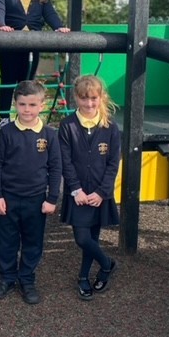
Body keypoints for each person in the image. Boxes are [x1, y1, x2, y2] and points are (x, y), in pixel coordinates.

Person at [0, 80, 61, 305]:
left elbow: (55, 167)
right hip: (8, 199)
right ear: (15, 104)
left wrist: (52, 198)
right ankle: (7, 278)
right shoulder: (6, 132)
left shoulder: (49, 135)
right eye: (22, 104)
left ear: (42, 105)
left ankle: (27, 279)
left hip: (36, 199)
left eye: (32, 104)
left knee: (33, 241)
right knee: (6, 241)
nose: (27, 110)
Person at [58, 75, 120, 301]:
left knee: (92, 237)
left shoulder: (110, 127)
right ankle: (107, 264)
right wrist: (76, 189)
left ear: (101, 98)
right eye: (84, 99)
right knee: (82, 238)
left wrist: (102, 192)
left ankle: (84, 277)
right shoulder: (67, 126)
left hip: (99, 194)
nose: (89, 104)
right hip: (78, 195)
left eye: (94, 98)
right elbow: (65, 161)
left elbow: (113, 163)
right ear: (76, 98)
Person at [0, 0, 70, 127]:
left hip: (33, 42)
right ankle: (4, 118)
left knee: (27, 82)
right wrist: (1, 24)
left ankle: (27, 117)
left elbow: (49, 13)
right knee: (8, 80)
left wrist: (58, 26)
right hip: (10, 43)